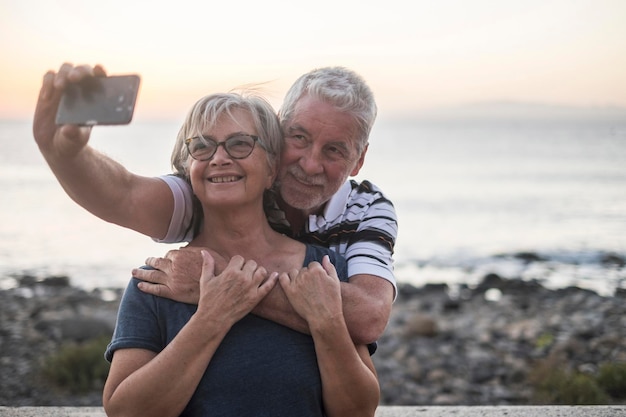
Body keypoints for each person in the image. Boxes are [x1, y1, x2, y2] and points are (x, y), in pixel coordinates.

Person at [33, 63, 397, 345]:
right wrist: (66, 154)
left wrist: (221, 283)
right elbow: (124, 195)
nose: (310, 163)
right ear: (278, 130)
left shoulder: (366, 207)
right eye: (299, 138)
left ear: (359, 160)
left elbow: (367, 318)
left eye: (334, 150)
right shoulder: (232, 183)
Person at [102, 92, 379, 416]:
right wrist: (211, 319)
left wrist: (327, 323)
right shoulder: (157, 281)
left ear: (272, 168)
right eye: (203, 146)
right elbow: (124, 412)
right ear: (188, 166)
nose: (219, 158)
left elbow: (360, 411)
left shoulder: (324, 270)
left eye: (239, 144)